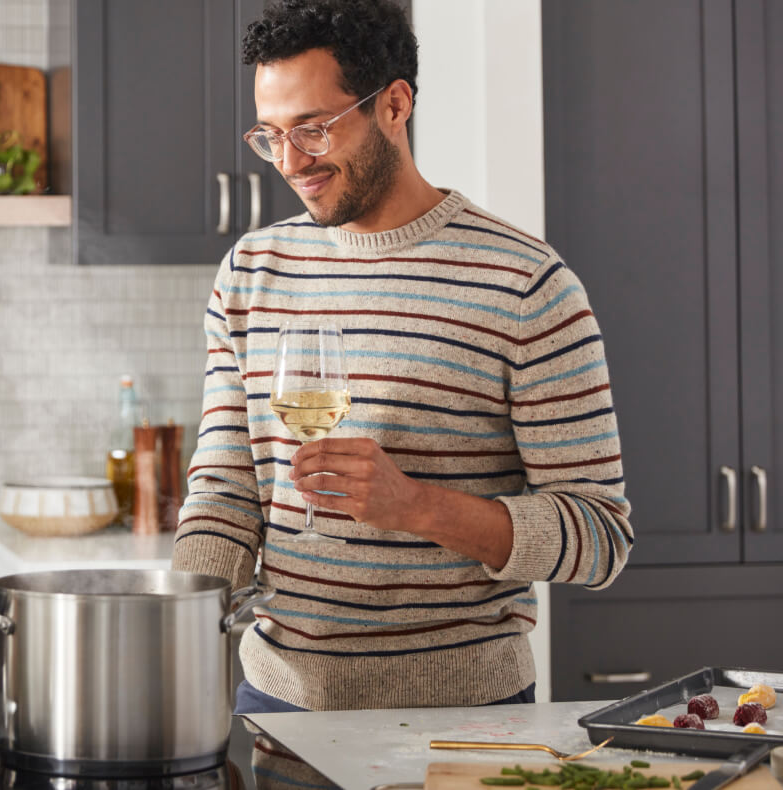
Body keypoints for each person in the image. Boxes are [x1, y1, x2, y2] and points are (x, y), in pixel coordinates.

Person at [172, 0, 632, 714]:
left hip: (465, 717)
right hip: (277, 705)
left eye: (314, 129)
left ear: (394, 104)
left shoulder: (525, 283)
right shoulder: (253, 270)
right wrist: (167, 627)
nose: (292, 163)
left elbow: (599, 537)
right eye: (271, 136)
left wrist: (416, 506)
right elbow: (226, 496)